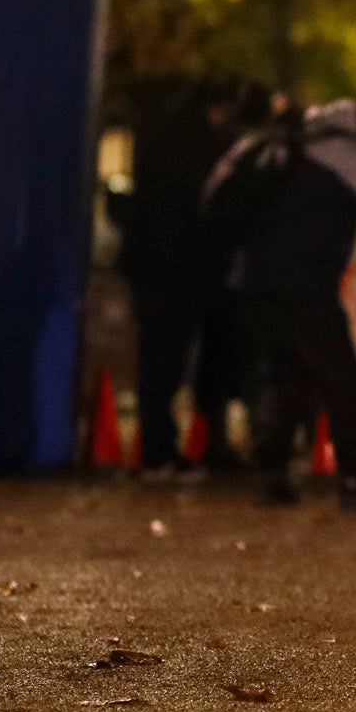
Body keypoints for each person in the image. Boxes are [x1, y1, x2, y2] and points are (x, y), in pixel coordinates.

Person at [210, 94, 356, 508]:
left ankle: (271, 474)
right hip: (300, 281)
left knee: (286, 375)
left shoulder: (310, 135)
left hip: (259, 276)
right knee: (340, 376)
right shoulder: (342, 150)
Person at [115, 78, 241, 481]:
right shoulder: (203, 150)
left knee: (158, 365)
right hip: (181, 276)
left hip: (156, 274)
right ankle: (161, 453)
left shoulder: (162, 141)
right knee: (168, 365)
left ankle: (158, 450)